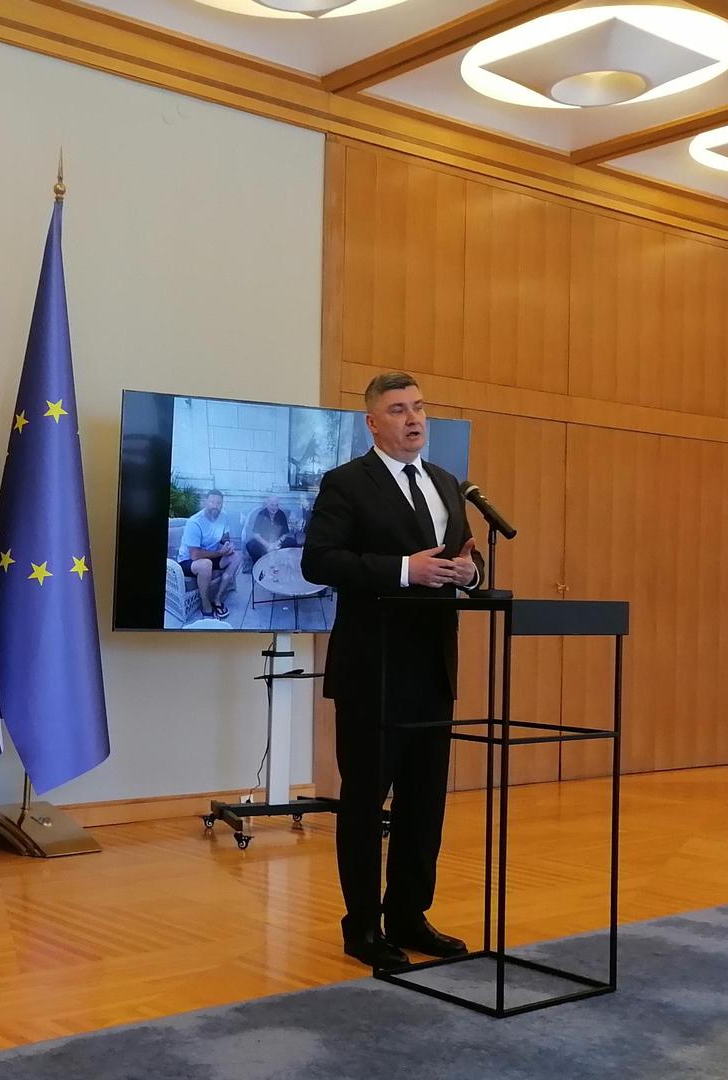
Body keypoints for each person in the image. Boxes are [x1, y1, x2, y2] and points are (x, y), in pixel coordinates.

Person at [301, 371, 482, 969]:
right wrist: (405, 569)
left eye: (419, 408)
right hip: (372, 670)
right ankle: (363, 928)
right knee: (365, 804)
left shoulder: (447, 483)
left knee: (424, 805)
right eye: (399, 409)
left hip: (433, 668)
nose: (414, 419)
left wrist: (469, 574)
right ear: (373, 422)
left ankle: (409, 915)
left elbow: (463, 555)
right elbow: (319, 561)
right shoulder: (347, 482)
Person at [177, 489, 238, 619]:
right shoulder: (195, 522)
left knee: (236, 556)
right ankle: (206, 606)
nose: (215, 506)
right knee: (206, 565)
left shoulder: (223, 516)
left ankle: (217, 598)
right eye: (212, 502)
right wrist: (220, 552)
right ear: (205, 502)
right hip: (188, 561)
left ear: (222, 504)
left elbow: (225, 536)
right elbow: (194, 555)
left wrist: (227, 545)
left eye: (219, 503)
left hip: (212, 555)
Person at [246, 493, 299, 562]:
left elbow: (285, 533)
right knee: (250, 546)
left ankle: (282, 561)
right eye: (272, 505)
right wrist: (267, 545)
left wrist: (276, 543)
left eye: (276, 505)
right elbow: (256, 534)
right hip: (264, 543)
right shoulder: (261, 514)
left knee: (293, 542)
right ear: (267, 505)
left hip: (278, 543)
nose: (274, 508)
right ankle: (258, 564)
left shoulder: (281, 514)